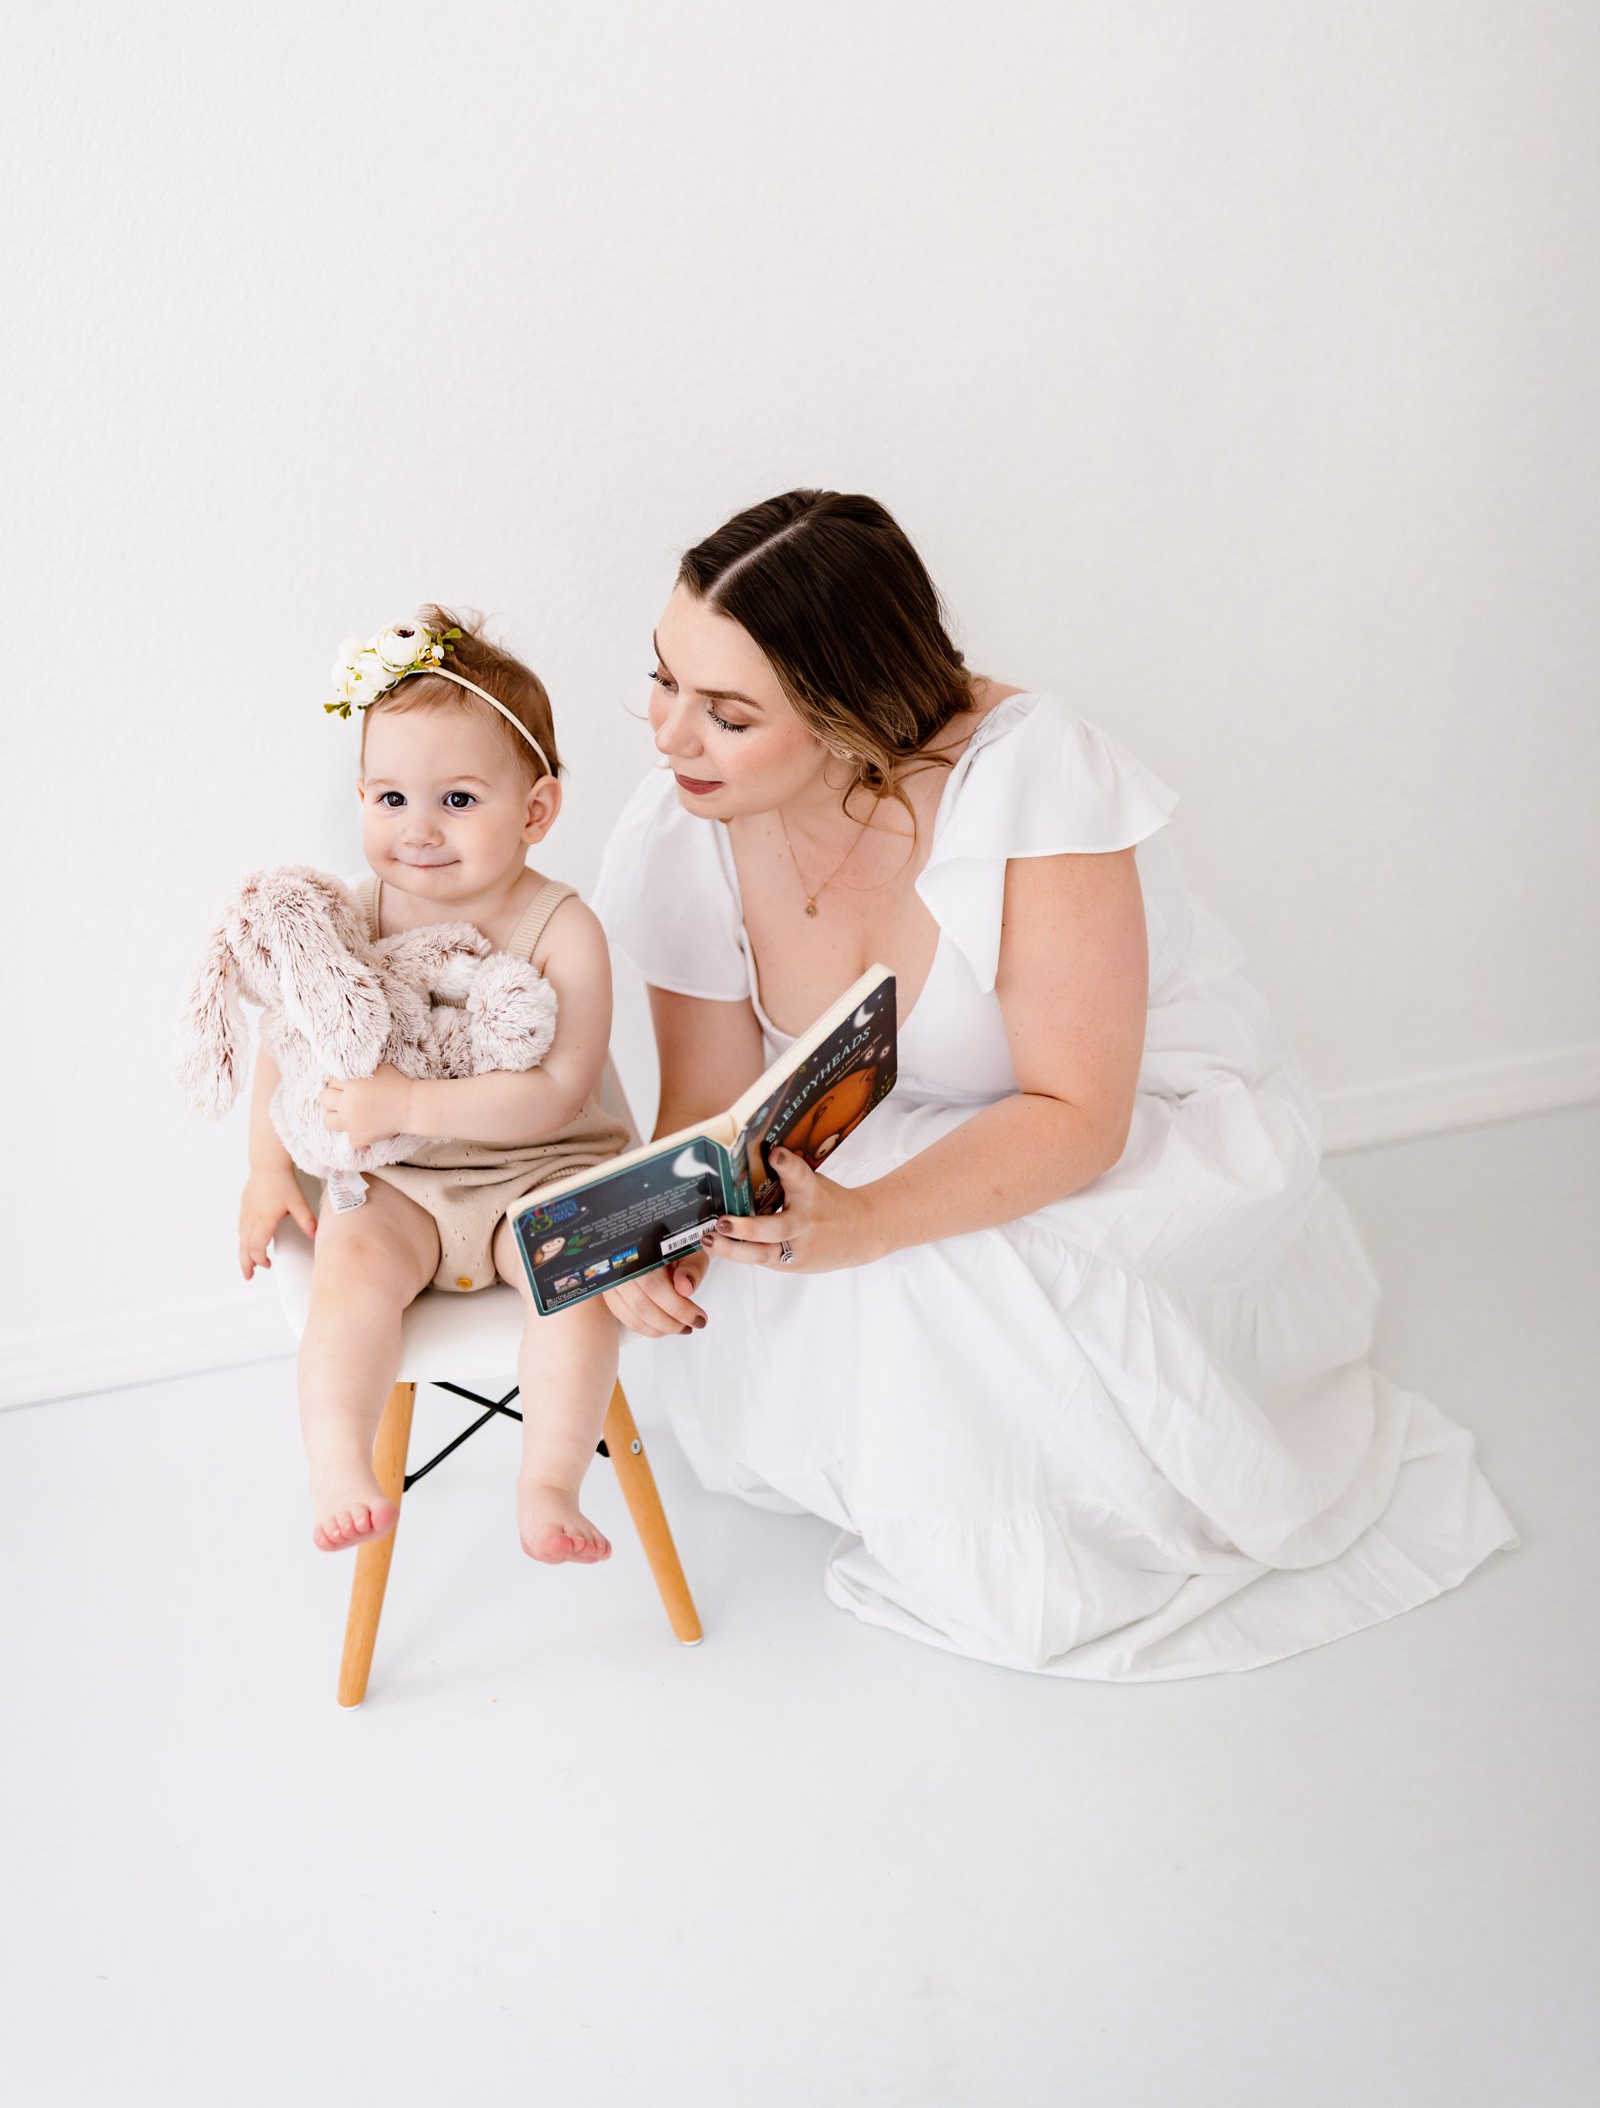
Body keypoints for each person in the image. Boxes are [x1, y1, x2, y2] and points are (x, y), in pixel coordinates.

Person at [591, 492, 1517, 1679]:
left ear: (847, 712)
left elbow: (1081, 1113)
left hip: (1110, 1120)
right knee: (801, 1253)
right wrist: (656, 1226)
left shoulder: (1031, 779)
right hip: (869, 1121)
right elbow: (709, 1098)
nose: (669, 736)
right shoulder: (688, 818)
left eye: (726, 713)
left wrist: (869, 1221)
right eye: (663, 680)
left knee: (940, 1269)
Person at [237, 609, 630, 1562]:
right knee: (348, 1277)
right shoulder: (348, 915)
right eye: (390, 799)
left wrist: (408, 1103)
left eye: (457, 800)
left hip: (543, 1171)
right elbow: (285, 1046)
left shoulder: (563, 928)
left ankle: (548, 1482)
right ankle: (339, 1463)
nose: (417, 830)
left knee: (575, 1288)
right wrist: (263, 1167)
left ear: (535, 811)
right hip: (402, 1182)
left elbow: (553, 1091)